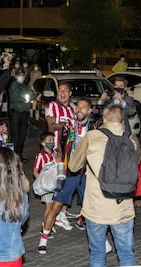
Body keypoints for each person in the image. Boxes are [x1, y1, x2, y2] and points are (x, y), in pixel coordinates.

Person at [68, 104, 140, 266]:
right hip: (123, 208)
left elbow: (73, 166)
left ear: (105, 119)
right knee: (126, 254)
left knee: (98, 252)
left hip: (96, 208)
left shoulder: (92, 136)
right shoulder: (132, 139)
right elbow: (136, 163)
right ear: (122, 120)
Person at [38, 98, 94, 254]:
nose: (79, 110)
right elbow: (61, 145)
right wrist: (60, 160)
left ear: (89, 111)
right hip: (68, 171)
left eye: (83, 108)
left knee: (91, 208)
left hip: (87, 172)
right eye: (78, 107)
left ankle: (102, 242)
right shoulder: (68, 126)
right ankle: (43, 240)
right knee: (55, 205)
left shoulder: (95, 127)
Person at [44, 82, 75, 231]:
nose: (62, 93)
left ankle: (62, 213)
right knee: (55, 184)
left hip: (70, 152)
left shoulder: (73, 108)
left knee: (67, 182)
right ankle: (50, 218)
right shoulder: (51, 106)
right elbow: (51, 125)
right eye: (60, 90)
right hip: (55, 151)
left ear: (70, 93)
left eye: (65, 90)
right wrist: (67, 125)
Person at [8, 67, 36, 161]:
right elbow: (17, 98)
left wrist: (26, 97)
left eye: (22, 75)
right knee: (15, 136)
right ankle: (14, 156)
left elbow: (33, 94)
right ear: (16, 76)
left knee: (22, 135)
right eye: (19, 75)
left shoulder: (25, 85)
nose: (21, 77)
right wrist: (27, 98)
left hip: (24, 113)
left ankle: (19, 155)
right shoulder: (13, 85)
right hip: (16, 113)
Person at [33, 131, 56, 239]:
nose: (52, 142)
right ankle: (45, 227)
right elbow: (35, 171)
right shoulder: (40, 156)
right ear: (43, 143)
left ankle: (48, 224)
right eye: (49, 140)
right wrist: (42, 182)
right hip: (46, 186)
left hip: (54, 184)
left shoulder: (55, 154)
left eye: (53, 140)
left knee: (52, 207)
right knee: (49, 206)